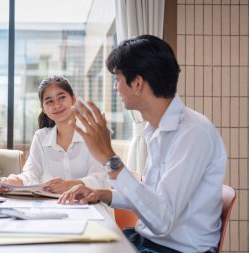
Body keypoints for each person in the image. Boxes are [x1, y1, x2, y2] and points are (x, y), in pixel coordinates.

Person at [58, 35, 227, 253]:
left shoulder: (193, 133)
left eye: (117, 79)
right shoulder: (156, 129)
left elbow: (161, 220)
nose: (115, 88)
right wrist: (102, 194)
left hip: (175, 249)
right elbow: (151, 200)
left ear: (137, 83)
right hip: (147, 241)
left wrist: (110, 160)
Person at [0, 75, 109, 194]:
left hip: (91, 207)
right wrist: (9, 182)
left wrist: (69, 185)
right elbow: (31, 174)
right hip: (55, 206)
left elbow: (102, 178)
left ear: (73, 99)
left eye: (61, 97)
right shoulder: (41, 137)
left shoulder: (93, 132)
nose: (56, 105)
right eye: (49, 101)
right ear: (43, 108)